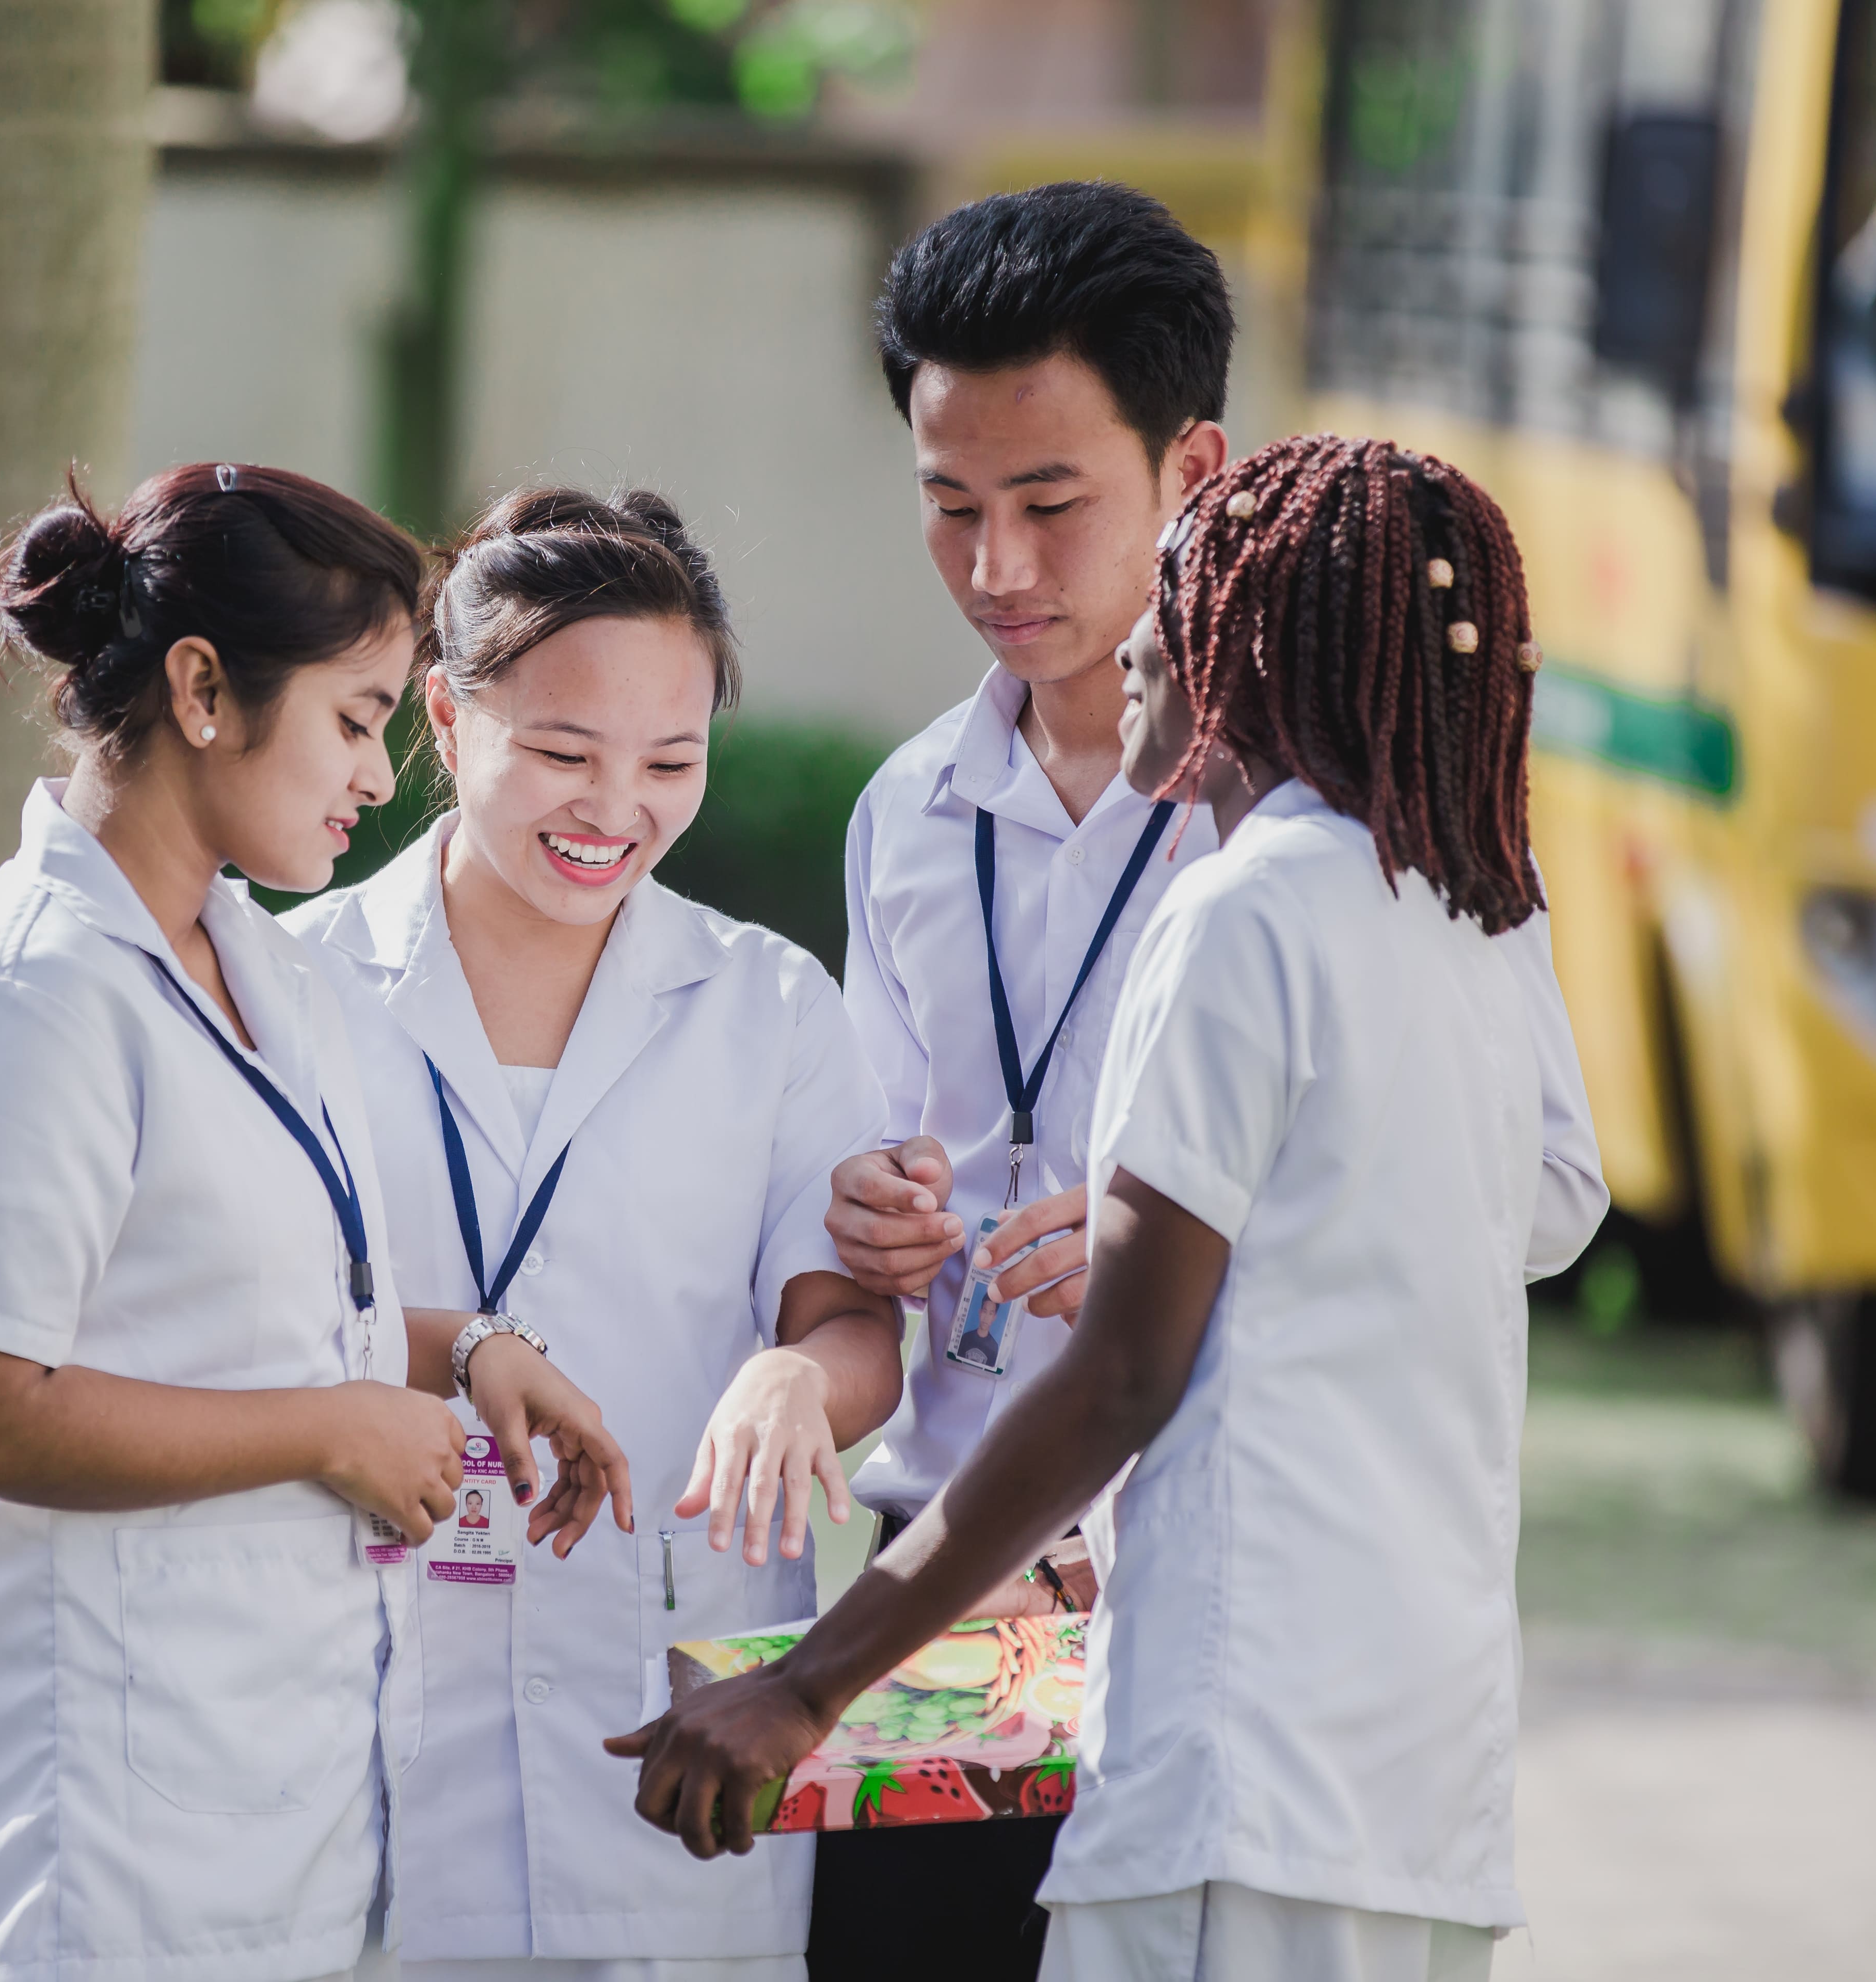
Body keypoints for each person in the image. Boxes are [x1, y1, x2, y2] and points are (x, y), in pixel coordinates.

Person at [610, 435, 1609, 1982]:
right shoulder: (1456, 902)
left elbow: (1121, 1380)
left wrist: (809, 1687)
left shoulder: (1241, 906)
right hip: (1414, 1761)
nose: (1140, 632)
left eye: (1181, 590)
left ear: (1245, 646)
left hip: (1233, 1751)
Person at [0, 463, 606, 1982]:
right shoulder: (35, 996)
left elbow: (234, 1314)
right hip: (74, 1846)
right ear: (202, 688)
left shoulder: (261, 968)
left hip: (265, 1817)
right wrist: (332, 1428)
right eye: (353, 719)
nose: (381, 780)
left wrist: (464, 1353)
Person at [285, 487, 904, 1979]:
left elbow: (851, 1328)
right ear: (444, 713)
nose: (614, 807)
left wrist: (799, 1380)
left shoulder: (766, 1009)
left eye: (670, 761)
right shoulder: (294, 994)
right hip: (361, 1733)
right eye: (562, 753)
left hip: (672, 1733)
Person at [808, 181, 1234, 1978]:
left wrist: (1184, 1238)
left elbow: (1539, 1198)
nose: (998, 567)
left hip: (1209, 1576)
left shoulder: (1316, 813)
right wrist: (861, 1213)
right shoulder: (907, 812)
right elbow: (858, 1173)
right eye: (952, 508)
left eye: (1053, 505)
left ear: (1193, 470)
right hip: (942, 1560)